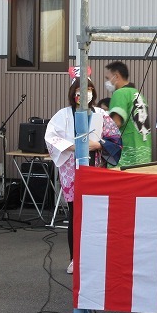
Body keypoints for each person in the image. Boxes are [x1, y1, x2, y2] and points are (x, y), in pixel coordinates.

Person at [45, 78, 119, 275]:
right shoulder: (63, 115)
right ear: (73, 93)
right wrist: (72, 146)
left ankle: (97, 258)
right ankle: (74, 259)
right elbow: (51, 137)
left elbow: (115, 138)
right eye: (79, 91)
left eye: (88, 90)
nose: (84, 94)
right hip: (72, 170)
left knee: (97, 216)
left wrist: (100, 144)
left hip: (96, 169)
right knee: (75, 214)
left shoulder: (101, 115)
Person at [104, 61, 152, 166]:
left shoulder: (120, 93)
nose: (107, 82)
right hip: (144, 153)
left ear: (116, 76)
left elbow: (116, 124)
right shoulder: (137, 94)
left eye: (108, 78)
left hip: (126, 156)